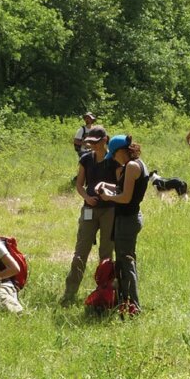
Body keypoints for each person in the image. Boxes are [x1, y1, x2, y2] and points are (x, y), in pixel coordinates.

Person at [61, 125, 117, 306]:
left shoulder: (114, 160)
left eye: (95, 142)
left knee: (106, 253)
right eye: (90, 142)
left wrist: (107, 191)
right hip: (89, 209)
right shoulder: (85, 159)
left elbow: (121, 186)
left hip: (109, 210)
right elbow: (79, 185)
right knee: (80, 252)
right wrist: (87, 197)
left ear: (104, 140)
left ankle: (104, 294)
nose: (92, 145)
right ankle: (69, 293)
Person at [95, 134, 151, 314]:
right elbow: (123, 189)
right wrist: (106, 185)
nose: (114, 159)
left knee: (126, 263)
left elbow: (126, 197)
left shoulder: (132, 166)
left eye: (114, 154)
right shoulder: (135, 164)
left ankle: (133, 305)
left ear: (121, 151)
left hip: (127, 220)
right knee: (124, 261)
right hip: (129, 218)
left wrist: (107, 197)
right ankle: (124, 301)